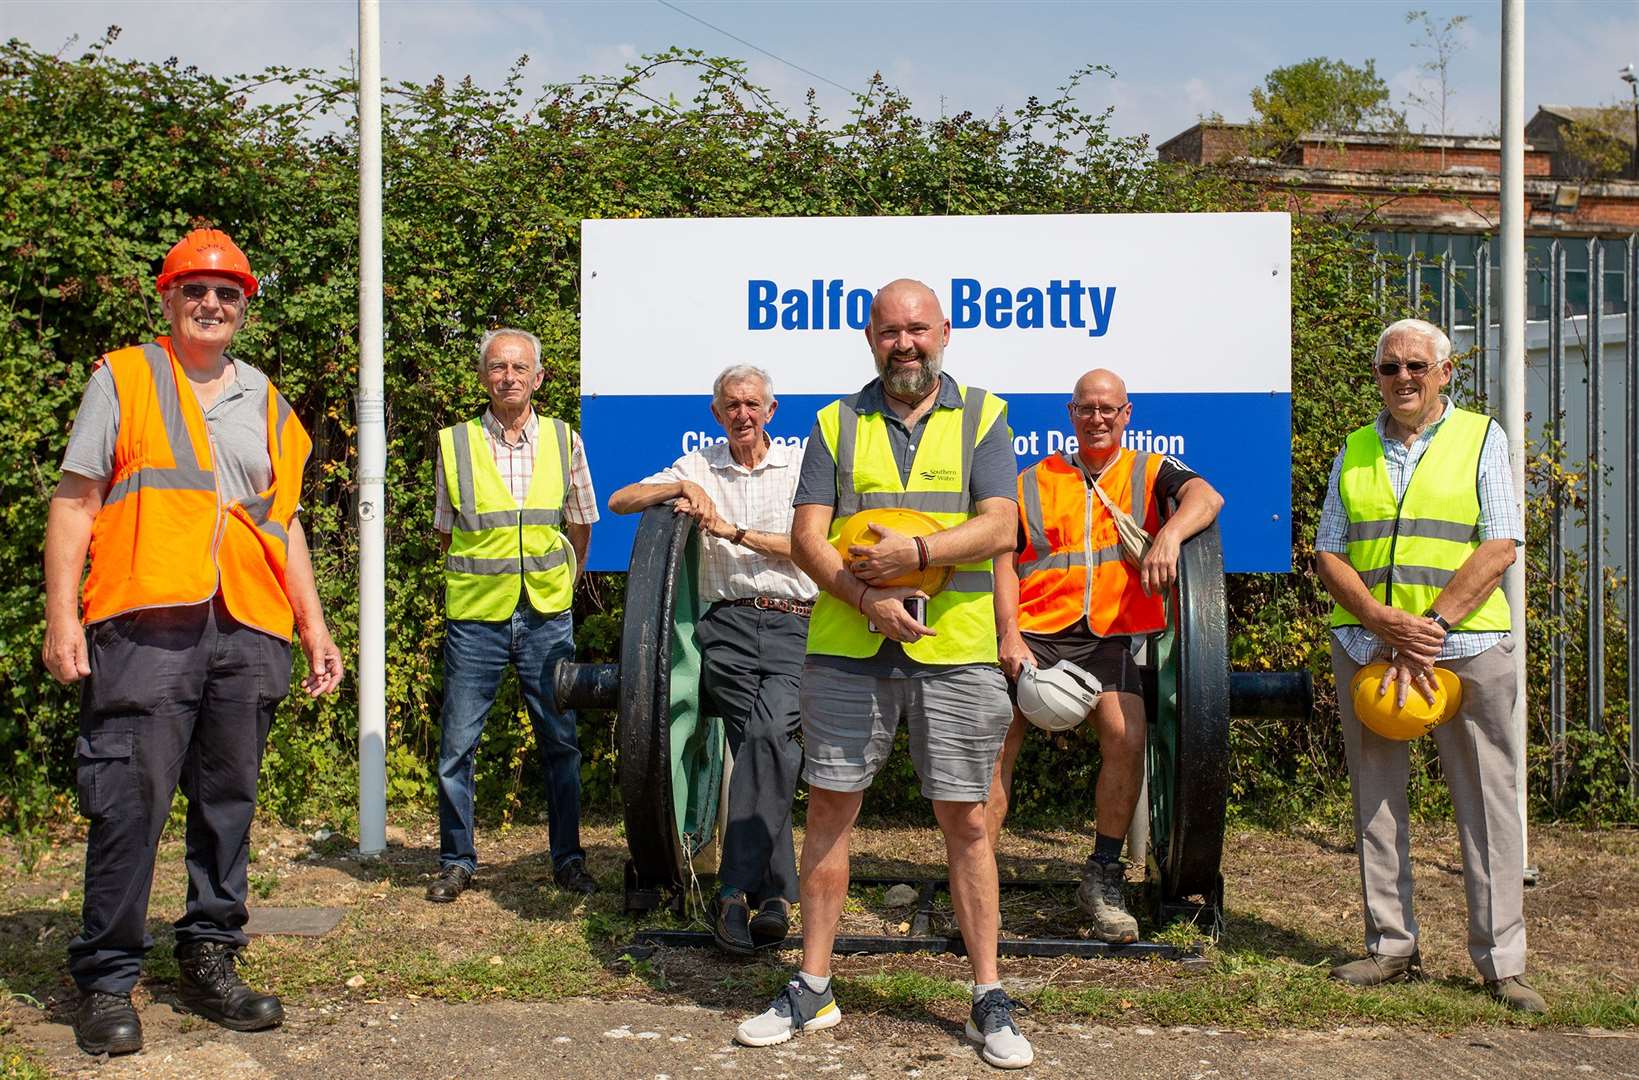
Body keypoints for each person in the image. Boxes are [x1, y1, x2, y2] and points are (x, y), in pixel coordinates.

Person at [42, 228, 344, 1056]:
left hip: (247, 628)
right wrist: (63, 618)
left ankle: (210, 957)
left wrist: (314, 627)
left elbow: (282, 528)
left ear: (245, 306)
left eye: (228, 294)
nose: (212, 304)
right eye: (195, 290)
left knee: (227, 804)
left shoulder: (269, 403)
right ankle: (106, 978)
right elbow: (75, 501)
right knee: (128, 800)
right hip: (146, 622)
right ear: (167, 298)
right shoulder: (127, 376)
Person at [734, 279, 1033, 1070]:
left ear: (945, 331)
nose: (905, 343)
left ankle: (987, 997)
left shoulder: (985, 416)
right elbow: (807, 538)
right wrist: (869, 597)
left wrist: (920, 554)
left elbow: (1003, 523)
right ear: (869, 338)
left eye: (917, 329)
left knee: (968, 821)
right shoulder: (836, 421)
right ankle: (812, 985)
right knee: (830, 810)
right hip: (847, 646)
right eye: (889, 331)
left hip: (956, 647)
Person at [1315, 318, 1542, 1013]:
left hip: (1466, 649)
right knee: (1376, 804)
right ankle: (1390, 947)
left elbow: (1500, 542)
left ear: (1445, 372)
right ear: (1377, 377)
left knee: (1487, 805)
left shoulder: (1481, 437)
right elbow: (1328, 551)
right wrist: (1383, 622)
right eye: (1389, 368)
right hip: (1372, 649)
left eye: (1417, 365)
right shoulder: (1353, 449)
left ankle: (1500, 963)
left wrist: (1432, 625)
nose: (1402, 378)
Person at [984, 369, 1223, 943]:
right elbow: (1001, 558)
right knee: (995, 739)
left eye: (1108, 409)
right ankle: (979, 876)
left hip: (1108, 636)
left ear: (1126, 413)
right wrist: (1008, 635)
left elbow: (1206, 497)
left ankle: (1103, 874)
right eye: (1086, 408)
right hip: (1037, 631)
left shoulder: (1149, 471)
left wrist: (1167, 537)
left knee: (1127, 736)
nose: (1097, 418)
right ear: (1070, 414)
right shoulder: (1032, 480)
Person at [607, 365, 816, 954]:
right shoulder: (699, 464)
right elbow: (622, 500)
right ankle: (774, 899)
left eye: (753, 403)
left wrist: (732, 531)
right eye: (732, 405)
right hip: (723, 627)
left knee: (769, 734)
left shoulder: (800, 467)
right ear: (716, 413)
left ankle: (733, 892)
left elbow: (813, 548)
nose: (743, 413)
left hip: (795, 622)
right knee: (765, 744)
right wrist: (675, 490)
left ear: (771, 411)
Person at [426, 328, 597, 903]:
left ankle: (568, 861)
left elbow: (581, 521)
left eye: (519, 368)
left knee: (560, 741)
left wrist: (564, 586)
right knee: (456, 746)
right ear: (483, 377)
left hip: (547, 615)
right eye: (497, 367)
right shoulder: (454, 444)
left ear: (538, 377)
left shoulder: (564, 439)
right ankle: (456, 861)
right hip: (476, 619)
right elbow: (446, 532)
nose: (508, 377)